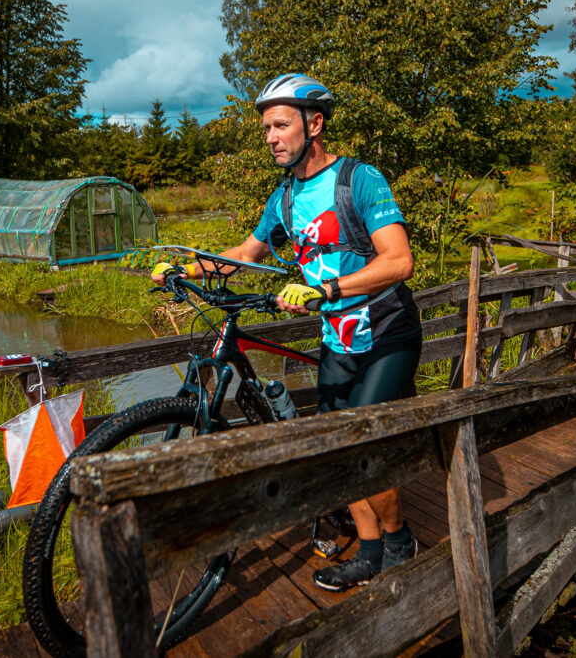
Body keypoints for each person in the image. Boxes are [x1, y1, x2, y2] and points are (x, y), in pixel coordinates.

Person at [152, 73, 422, 592]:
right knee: (334, 449)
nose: (271, 138)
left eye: (280, 125)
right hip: (338, 338)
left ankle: (399, 542)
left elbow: (399, 261)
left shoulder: (360, 180)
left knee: (363, 448)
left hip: (387, 332)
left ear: (313, 124)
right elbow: (245, 254)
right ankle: (370, 552)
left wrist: (327, 289)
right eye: (266, 129)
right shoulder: (285, 198)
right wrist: (186, 268)